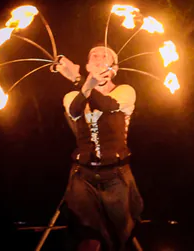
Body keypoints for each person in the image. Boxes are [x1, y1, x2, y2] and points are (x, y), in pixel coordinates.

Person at [55, 45, 143, 251]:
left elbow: (106, 105)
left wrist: (78, 79)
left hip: (116, 176)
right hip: (83, 176)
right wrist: (82, 84)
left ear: (115, 68)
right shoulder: (71, 97)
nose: (98, 57)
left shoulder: (125, 91)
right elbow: (76, 109)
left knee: (118, 240)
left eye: (105, 55)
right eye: (93, 55)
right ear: (86, 65)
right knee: (87, 239)